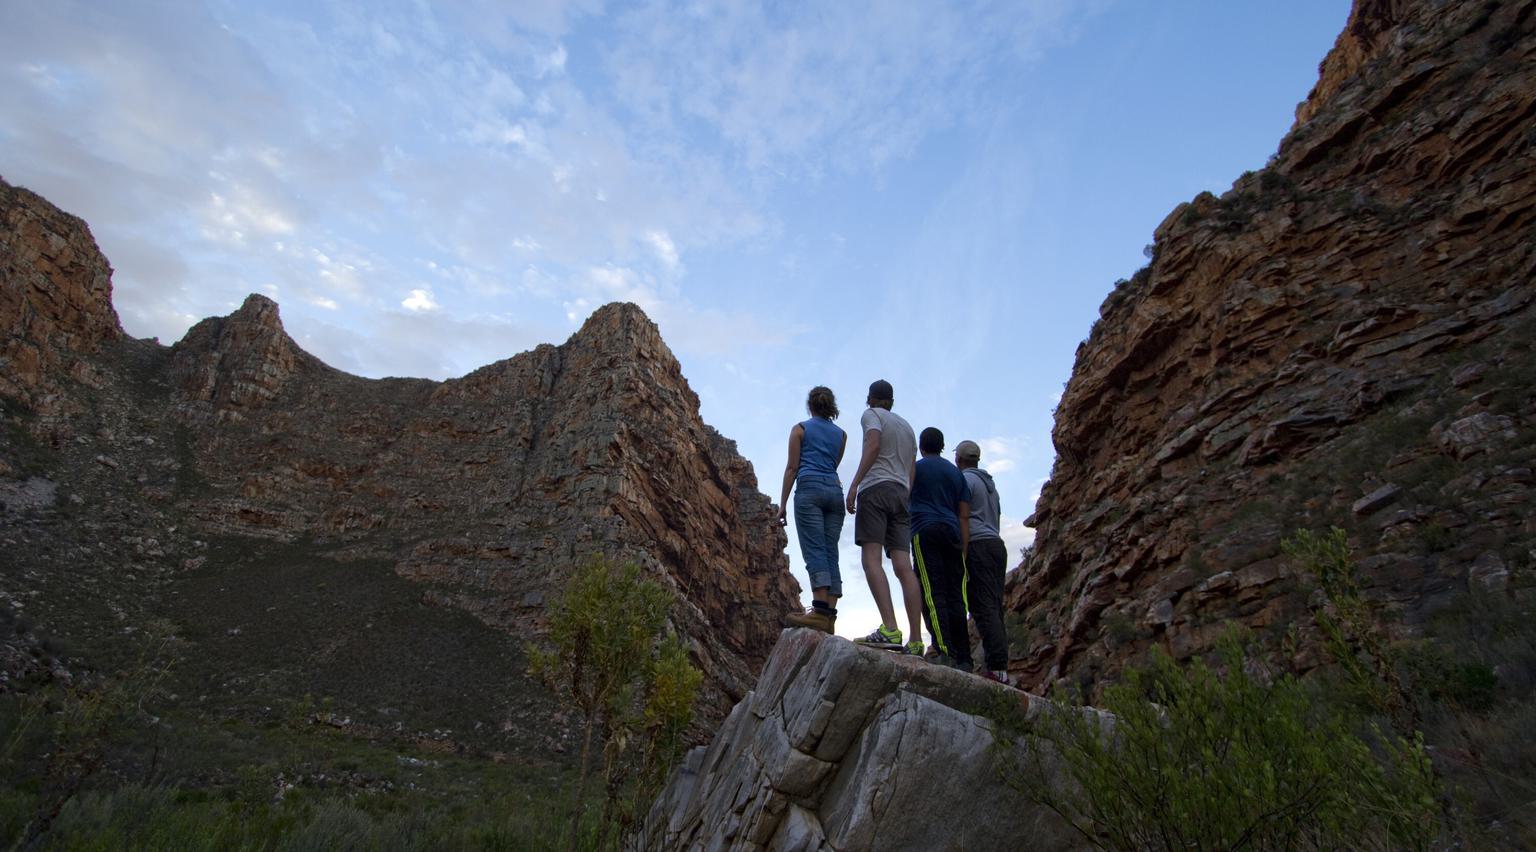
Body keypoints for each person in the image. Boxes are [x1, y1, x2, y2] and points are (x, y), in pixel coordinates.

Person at [845, 380, 924, 654]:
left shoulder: (872, 415)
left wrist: (855, 483)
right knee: (904, 565)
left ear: (870, 399)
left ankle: (890, 627)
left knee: (871, 559)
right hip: (902, 494)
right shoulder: (908, 428)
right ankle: (915, 639)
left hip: (876, 489)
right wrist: (905, 492)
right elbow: (911, 468)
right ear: (892, 401)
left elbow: (874, 443)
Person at [778, 386, 848, 634]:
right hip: (834, 491)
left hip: (809, 489)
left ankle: (819, 611)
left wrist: (783, 504)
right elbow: (834, 463)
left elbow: (792, 468)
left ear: (810, 405)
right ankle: (829, 615)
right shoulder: (842, 435)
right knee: (831, 551)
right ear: (831, 406)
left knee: (815, 549)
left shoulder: (800, 429)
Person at [908, 427, 971, 670]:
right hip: (952, 532)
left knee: (932, 592)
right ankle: (965, 657)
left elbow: (904, 495)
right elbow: (964, 514)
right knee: (956, 595)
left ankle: (944, 650)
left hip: (925, 530)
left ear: (922, 447)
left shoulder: (916, 468)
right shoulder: (956, 474)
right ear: (942, 446)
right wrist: (963, 547)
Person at [955, 439, 1012, 685]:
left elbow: (963, 516)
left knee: (982, 605)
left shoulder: (966, 481)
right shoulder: (991, 487)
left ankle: (997, 668)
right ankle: (999, 667)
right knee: (994, 605)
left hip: (977, 544)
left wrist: (962, 551)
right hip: (996, 544)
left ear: (958, 460)